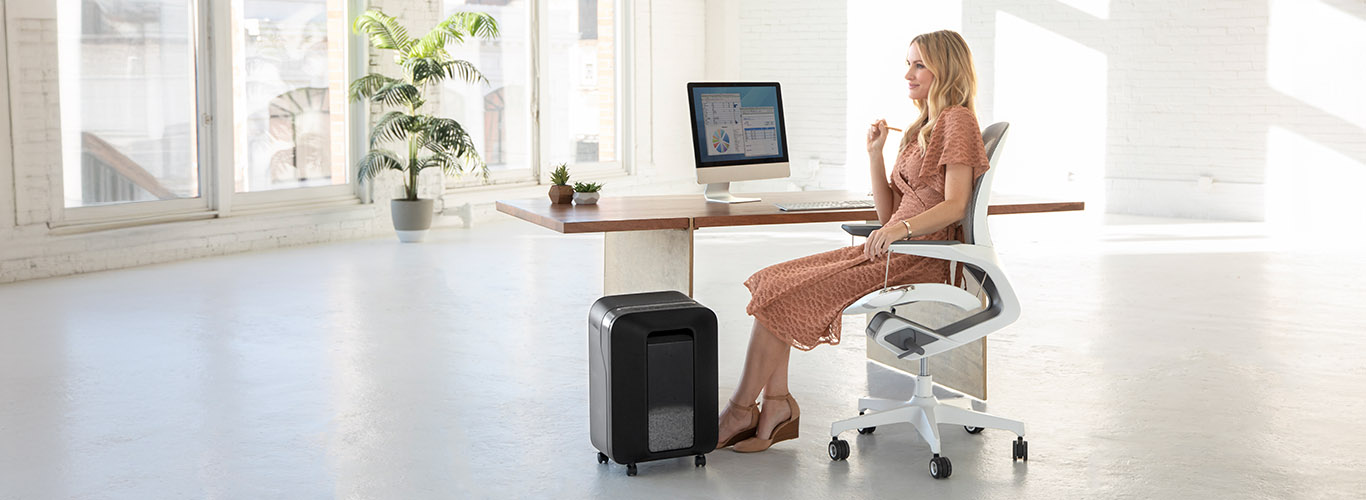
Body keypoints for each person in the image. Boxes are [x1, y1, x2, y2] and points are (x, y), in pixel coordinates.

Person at [717, 29, 993, 453]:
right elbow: (888, 216)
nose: (908, 73)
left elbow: (955, 206)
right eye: (908, 63)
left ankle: (742, 411)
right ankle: (775, 405)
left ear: (946, 68)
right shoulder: (921, 127)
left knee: (782, 292)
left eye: (919, 64)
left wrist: (899, 232)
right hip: (891, 251)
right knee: (773, 282)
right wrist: (875, 154)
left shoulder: (957, 120)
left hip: (918, 259)